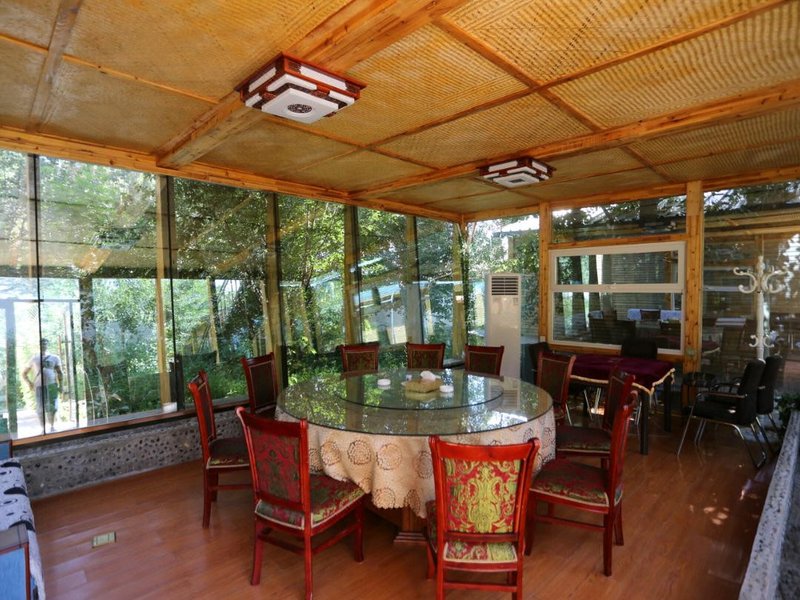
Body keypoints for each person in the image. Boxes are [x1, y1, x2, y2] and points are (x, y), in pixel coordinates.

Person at [22, 338, 63, 433]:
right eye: (42, 343)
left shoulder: (55, 358)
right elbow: (24, 373)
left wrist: (61, 386)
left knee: (52, 407)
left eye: (45, 343)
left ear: (48, 345)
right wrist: (29, 383)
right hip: (39, 386)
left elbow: (60, 372)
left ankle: (52, 426)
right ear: (39, 345)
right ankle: (43, 429)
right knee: (40, 409)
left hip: (52, 385)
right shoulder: (34, 358)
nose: (43, 345)